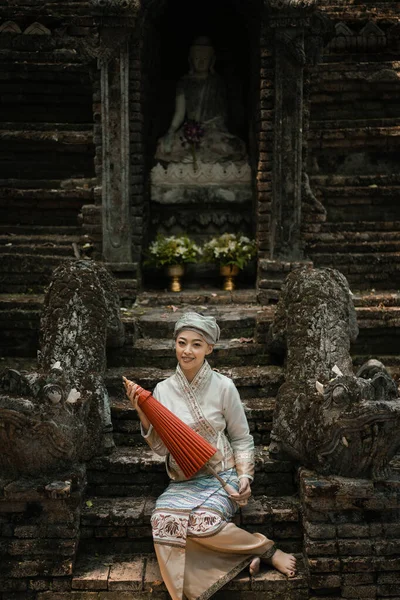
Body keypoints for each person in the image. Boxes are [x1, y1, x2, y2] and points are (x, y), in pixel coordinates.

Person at [125, 312, 296, 600]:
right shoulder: (163, 391)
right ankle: (246, 555)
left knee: (202, 523)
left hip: (222, 476)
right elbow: (162, 449)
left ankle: (267, 549)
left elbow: (242, 437)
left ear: (209, 349)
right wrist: (144, 415)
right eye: (182, 343)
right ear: (174, 345)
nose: (187, 351)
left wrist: (244, 476)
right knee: (162, 522)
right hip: (183, 480)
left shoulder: (224, 387)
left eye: (196, 344)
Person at [155, 36, 247, 164]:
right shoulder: (184, 82)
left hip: (213, 132)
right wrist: (170, 132)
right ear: (190, 61)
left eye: (205, 59)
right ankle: (202, 158)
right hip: (189, 132)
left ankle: (197, 158)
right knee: (162, 147)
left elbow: (222, 115)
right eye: (197, 59)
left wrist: (212, 127)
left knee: (236, 147)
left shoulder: (217, 82)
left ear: (212, 61)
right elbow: (180, 113)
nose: (201, 62)